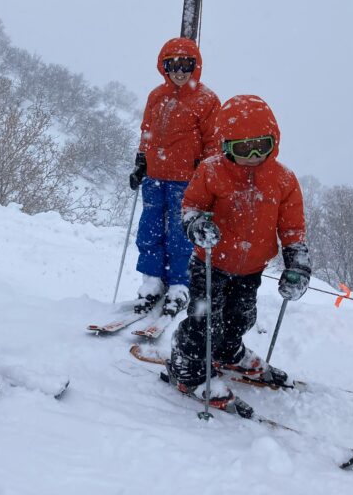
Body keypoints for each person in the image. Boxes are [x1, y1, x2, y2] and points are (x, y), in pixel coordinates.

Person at [166, 94, 311, 408]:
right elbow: (191, 207)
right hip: (210, 262)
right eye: (244, 148)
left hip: (251, 268)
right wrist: (197, 226)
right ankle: (187, 364)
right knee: (205, 320)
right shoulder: (211, 172)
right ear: (227, 146)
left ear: (276, 141)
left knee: (240, 317)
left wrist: (297, 261)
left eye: (263, 145)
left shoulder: (283, 179)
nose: (254, 155)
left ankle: (227, 351)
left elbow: (292, 228)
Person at [128, 37, 220, 317]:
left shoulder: (206, 100)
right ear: (163, 66)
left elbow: (213, 143)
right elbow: (147, 131)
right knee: (150, 229)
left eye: (186, 64)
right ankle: (152, 281)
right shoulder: (156, 96)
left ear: (196, 66)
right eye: (173, 64)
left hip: (187, 180)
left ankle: (179, 285)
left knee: (181, 234)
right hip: (155, 176)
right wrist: (141, 162)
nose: (180, 71)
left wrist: (207, 177)